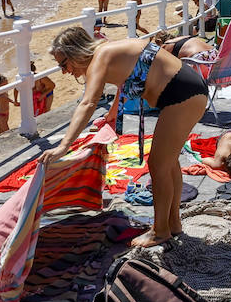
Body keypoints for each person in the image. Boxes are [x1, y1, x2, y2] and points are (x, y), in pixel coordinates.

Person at [42, 27, 208, 248]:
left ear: (76, 52)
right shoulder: (110, 51)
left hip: (181, 95)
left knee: (158, 165)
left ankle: (160, 231)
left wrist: (63, 146)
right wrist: (111, 116)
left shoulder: (100, 57)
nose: (64, 71)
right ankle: (173, 224)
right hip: (189, 89)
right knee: (168, 163)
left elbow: (88, 102)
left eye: (64, 64)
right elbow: (125, 81)